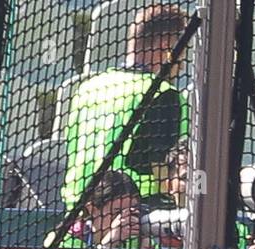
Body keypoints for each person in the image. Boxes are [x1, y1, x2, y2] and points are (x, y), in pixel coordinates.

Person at [61, 4, 188, 213]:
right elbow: (165, 174)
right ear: (166, 47)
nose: (182, 64)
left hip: (78, 219)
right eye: (181, 52)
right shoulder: (164, 94)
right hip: (136, 220)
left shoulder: (88, 89)